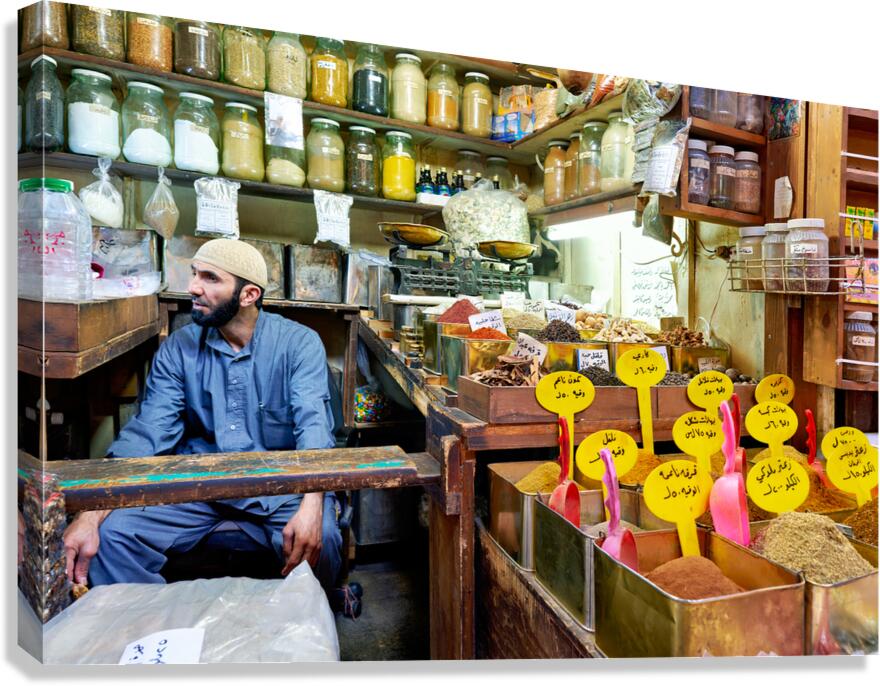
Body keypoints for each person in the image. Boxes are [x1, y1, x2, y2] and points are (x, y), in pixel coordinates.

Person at [62, 239, 342, 590]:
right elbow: (146, 436)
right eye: (195, 274)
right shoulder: (179, 347)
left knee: (323, 538)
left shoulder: (298, 344)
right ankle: (153, 622)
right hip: (200, 488)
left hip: (280, 491)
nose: (193, 287)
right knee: (112, 536)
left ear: (248, 295)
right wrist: (90, 514)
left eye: (210, 278)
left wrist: (313, 505)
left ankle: (318, 609)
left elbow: (314, 428)